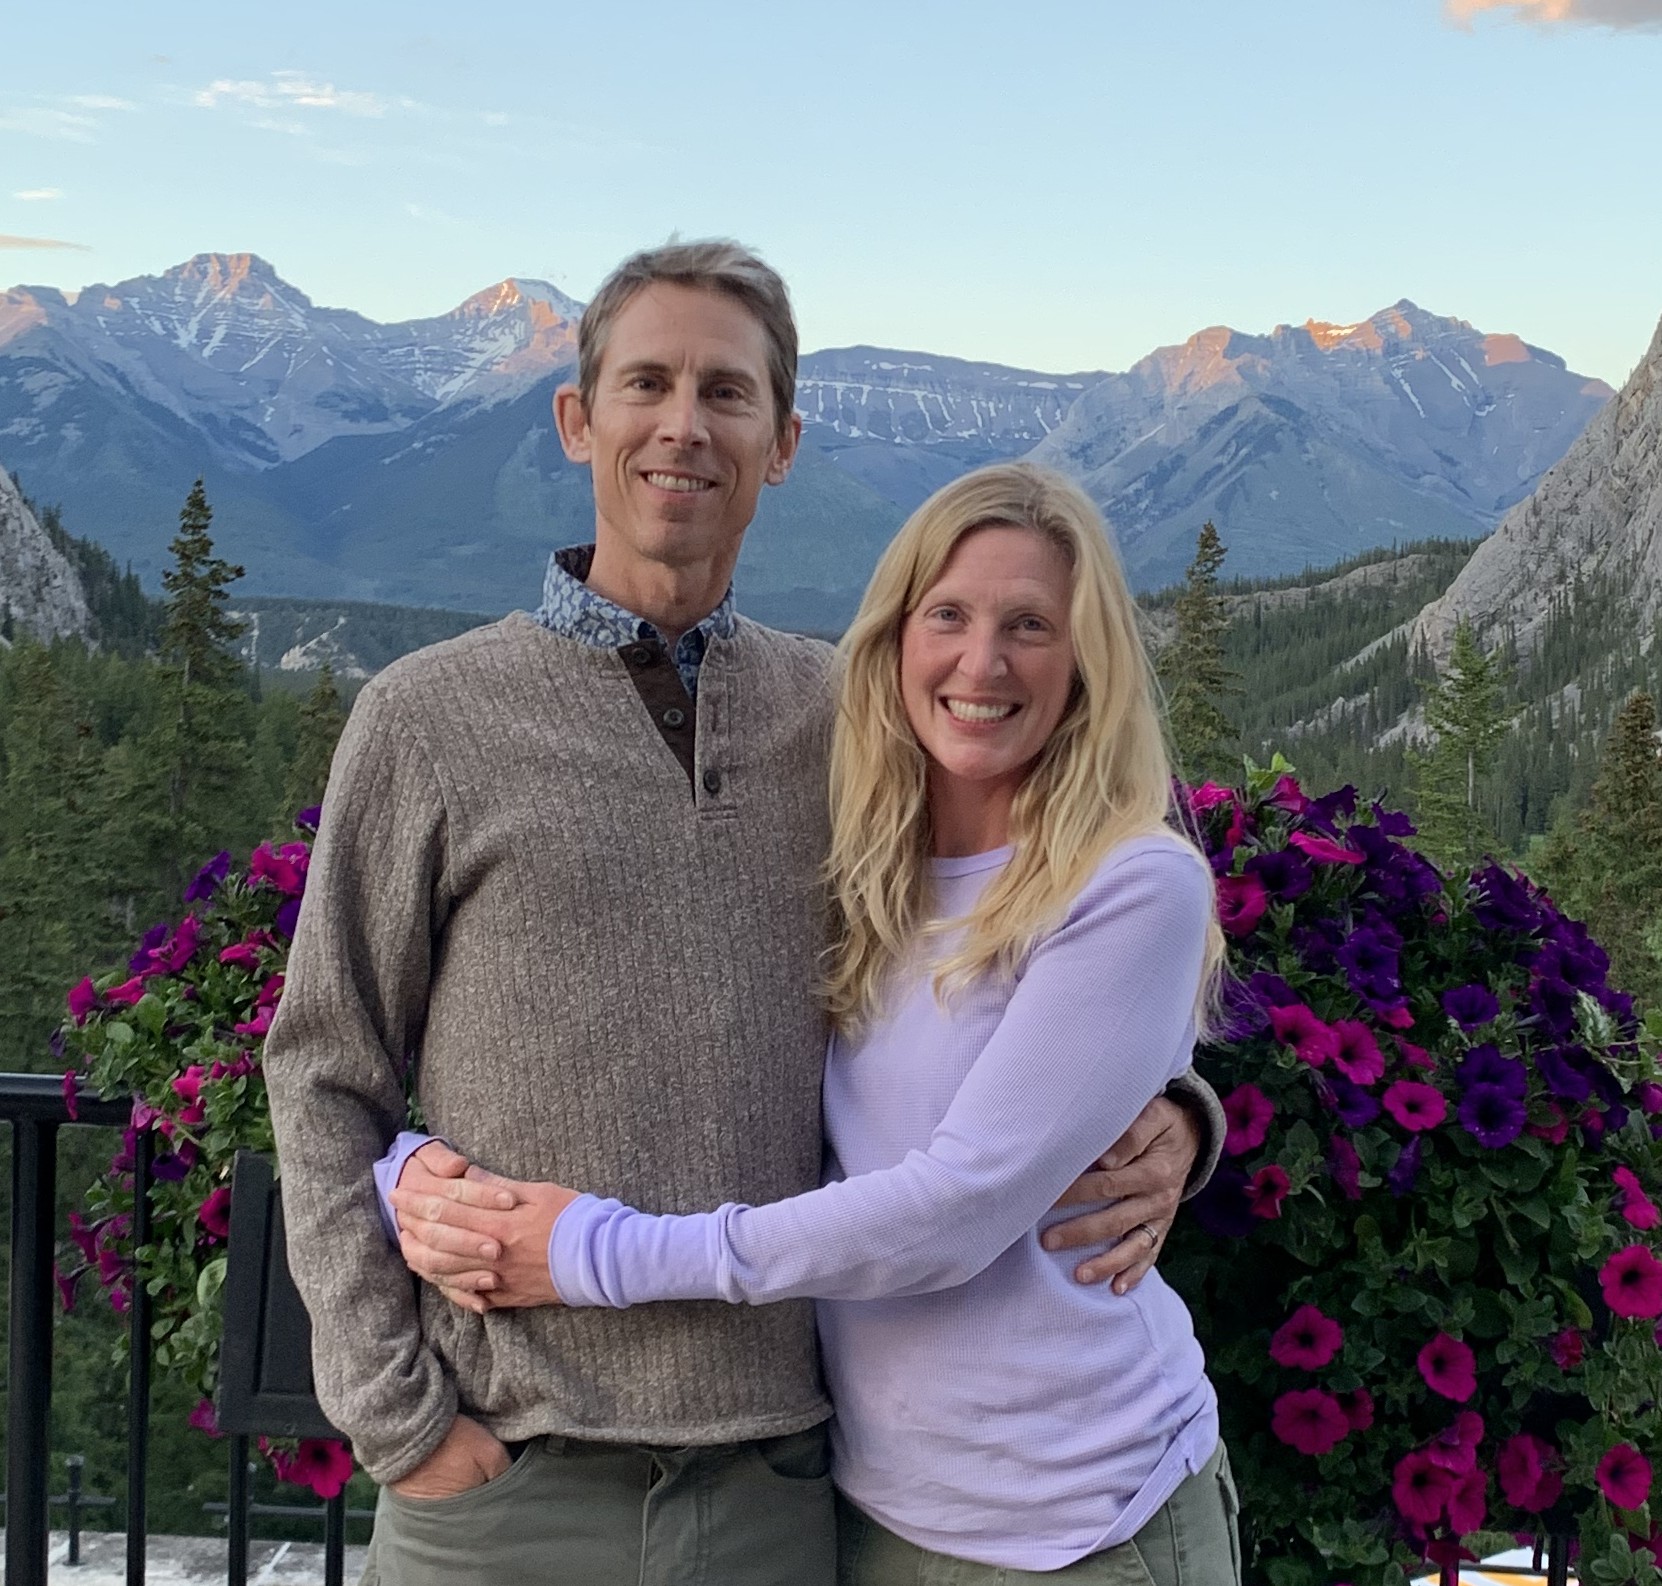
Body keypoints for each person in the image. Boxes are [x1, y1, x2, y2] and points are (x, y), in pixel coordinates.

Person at [264, 242, 1224, 1586]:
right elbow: (325, 1065)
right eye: (645, 383)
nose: (683, 425)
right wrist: (398, 1420)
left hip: (779, 1484)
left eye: (725, 392)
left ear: (781, 443)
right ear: (576, 419)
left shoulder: (851, 716)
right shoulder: (426, 718)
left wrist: (1172, 1107)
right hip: (506, 1476)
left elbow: (1048, 911)